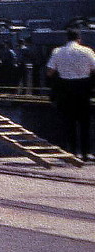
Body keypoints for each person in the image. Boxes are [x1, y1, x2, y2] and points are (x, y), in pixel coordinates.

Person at [46, 29, 95, 161]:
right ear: (79, 39)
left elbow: (50, 72)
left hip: (65, 88)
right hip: (84, 88)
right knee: (85, 122)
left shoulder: (57, 51)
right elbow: (94, 68)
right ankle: (86, 153)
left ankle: (73, 152)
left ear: (67, 39)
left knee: (69, 121)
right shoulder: (87, 51)